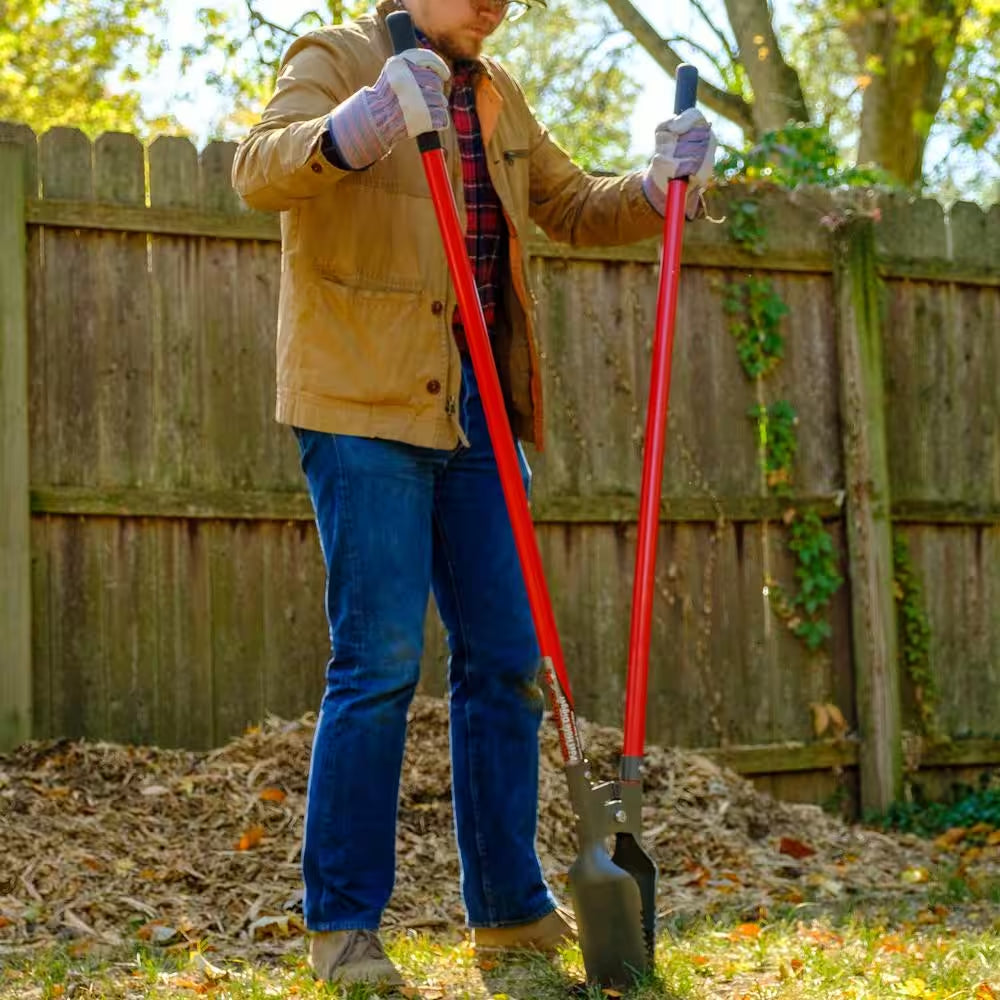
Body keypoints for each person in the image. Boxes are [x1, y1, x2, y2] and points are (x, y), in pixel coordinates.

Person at [232, 0, 715, 987]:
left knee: (503, 663)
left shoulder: (495, 95)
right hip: (363, 405)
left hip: (480, 415)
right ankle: (343, 927)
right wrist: (352, 127)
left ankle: (507, 913)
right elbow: (257, 169)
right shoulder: (334, 56)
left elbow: (575, 206)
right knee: (378, 663)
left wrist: (665, 184)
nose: (497, 3)